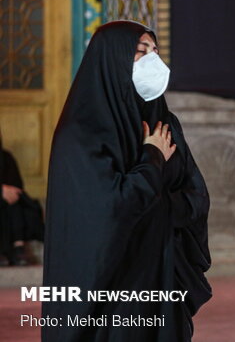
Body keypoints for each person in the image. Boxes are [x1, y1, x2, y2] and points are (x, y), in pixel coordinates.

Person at [42, 21, 211, 342]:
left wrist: (158, 208)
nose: (153, 62)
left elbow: (196, 196)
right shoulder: (80, 137)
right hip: (110, 292)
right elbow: (108, 210)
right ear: (113, 59)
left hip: (159, 276)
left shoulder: (163, 123)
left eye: (155, 51)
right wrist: (152, 159)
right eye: (140, 52)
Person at [0, 129, 44, 266]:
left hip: (10, 205)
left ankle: (17, 249)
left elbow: (16, 186)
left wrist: (6, 192)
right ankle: (12, 249)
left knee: (14, 200)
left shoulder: (6, 157)